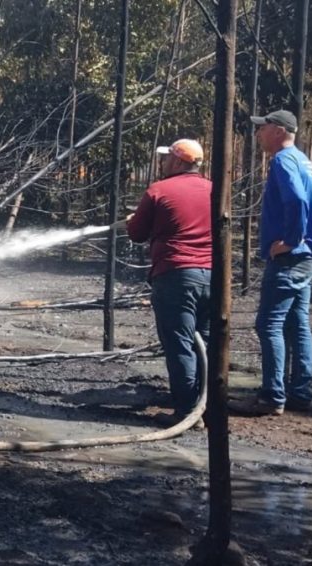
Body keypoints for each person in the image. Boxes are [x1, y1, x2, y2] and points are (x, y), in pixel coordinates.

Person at [230, 109, 312, 416]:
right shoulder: (303, 160)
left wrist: (291, 237)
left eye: (263, 128)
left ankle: (272, 396)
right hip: (311, 256)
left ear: (278, 130)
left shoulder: (283, 160)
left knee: (268, 324)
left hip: (291, 257)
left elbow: (298, 200)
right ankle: (300, 392)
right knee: (298, 323)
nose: (258, 133)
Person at [126, 139, 212, 428]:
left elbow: (137, 233)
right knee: (206, 342)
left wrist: (132, 221)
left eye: (165, 159)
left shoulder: (159, 191)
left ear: (177, 162)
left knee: (180, 344)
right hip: (213, 277)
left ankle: (188, 412)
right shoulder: (215, 189)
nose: (162, 163)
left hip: (175, 276)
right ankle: (206, 405)